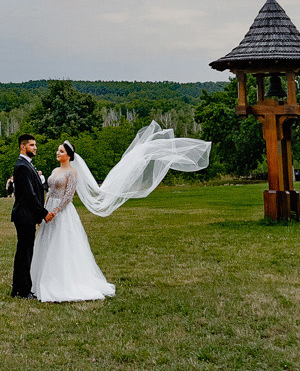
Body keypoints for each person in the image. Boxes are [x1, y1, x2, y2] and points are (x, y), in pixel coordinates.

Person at [29, 123, 213, 303]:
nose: (57, 153)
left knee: (62, 245)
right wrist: (43, 212)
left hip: (62, 212)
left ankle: (64, 282)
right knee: (46, 243)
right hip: (48, 210)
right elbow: (50, 191)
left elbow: (68, 196)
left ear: (68, 155)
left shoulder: (72, 173)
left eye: (61, 151)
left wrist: (55, 211)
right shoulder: (54, 170)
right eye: (58, 150)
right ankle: (41, 280)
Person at [7, 134, 45, 298]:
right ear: (23, 147)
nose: (35, 147)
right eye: (32, 145)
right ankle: (23, 290)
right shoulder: (22, 166)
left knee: (23, 252)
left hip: (26, 216)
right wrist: (43, 213)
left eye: (35, 145)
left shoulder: (26, 165)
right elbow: (29, 195)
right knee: (25, 253)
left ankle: (18, 288)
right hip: (24, 216)